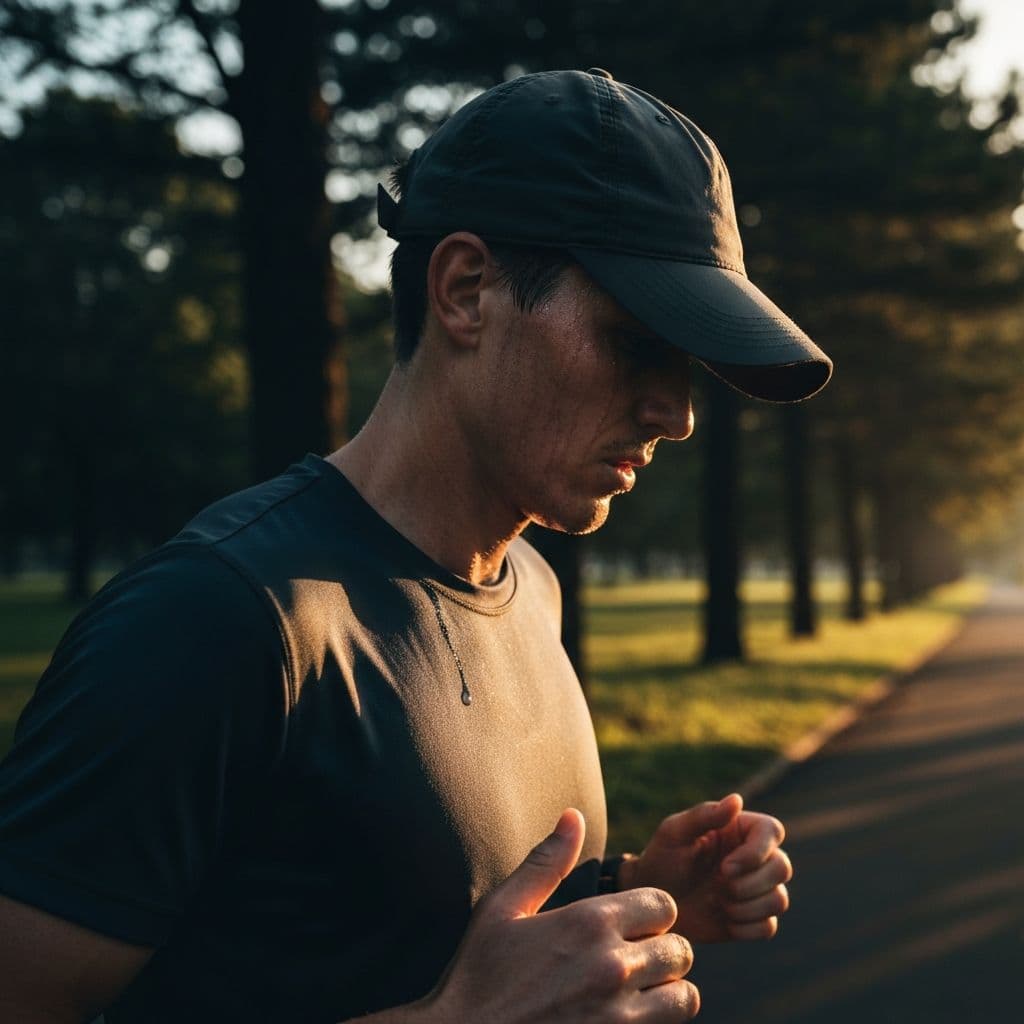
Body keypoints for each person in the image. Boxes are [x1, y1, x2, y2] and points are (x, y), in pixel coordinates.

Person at [0, 68, 831, 1023]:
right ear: (467, 290)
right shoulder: (218, 621)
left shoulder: (529, 585)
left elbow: (423, 928)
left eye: (686, 364)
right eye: (636, 341)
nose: (677, 413)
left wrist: (636, 889)